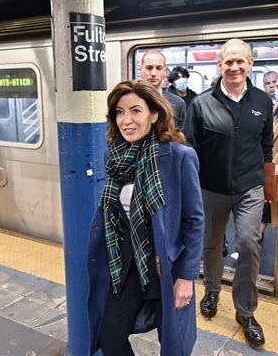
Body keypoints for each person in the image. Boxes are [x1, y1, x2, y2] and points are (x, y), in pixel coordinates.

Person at [87, 80, 204, 356]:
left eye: (135, 111)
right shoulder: (114, 156)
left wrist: (186, 277)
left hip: (166, 266)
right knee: (110, 337)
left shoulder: (179, 157)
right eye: (119, 112)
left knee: (173, 345)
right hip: (126, 265)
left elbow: (195, 220)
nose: (126, 120)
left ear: (154, 114)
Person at [184, 39, 273, 347]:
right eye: (228, 62)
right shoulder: (201, 103)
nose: (235, 67)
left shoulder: (262, 101)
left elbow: (266, 147)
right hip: (211, 188)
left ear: (250, 64)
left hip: (249, 187)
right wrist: (189, 191)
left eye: (241, 61)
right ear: (219, 65)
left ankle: (245, 312)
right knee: (211, 245)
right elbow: (189, 150)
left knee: (249, 243)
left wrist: (268, 189)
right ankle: (211, 290)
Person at [260, 71, 278, 238]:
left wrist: (271, 168)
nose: (277, 90)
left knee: (269, 210)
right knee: (263, 211)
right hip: (268, 165)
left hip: (277, 170)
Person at [140, 50, 187, 129]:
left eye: (158, 68)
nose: (153, 73)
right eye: (149, 68)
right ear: (141, 70)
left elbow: (180, 138)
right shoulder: (128, 100)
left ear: (164, 72)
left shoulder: (178, 104)